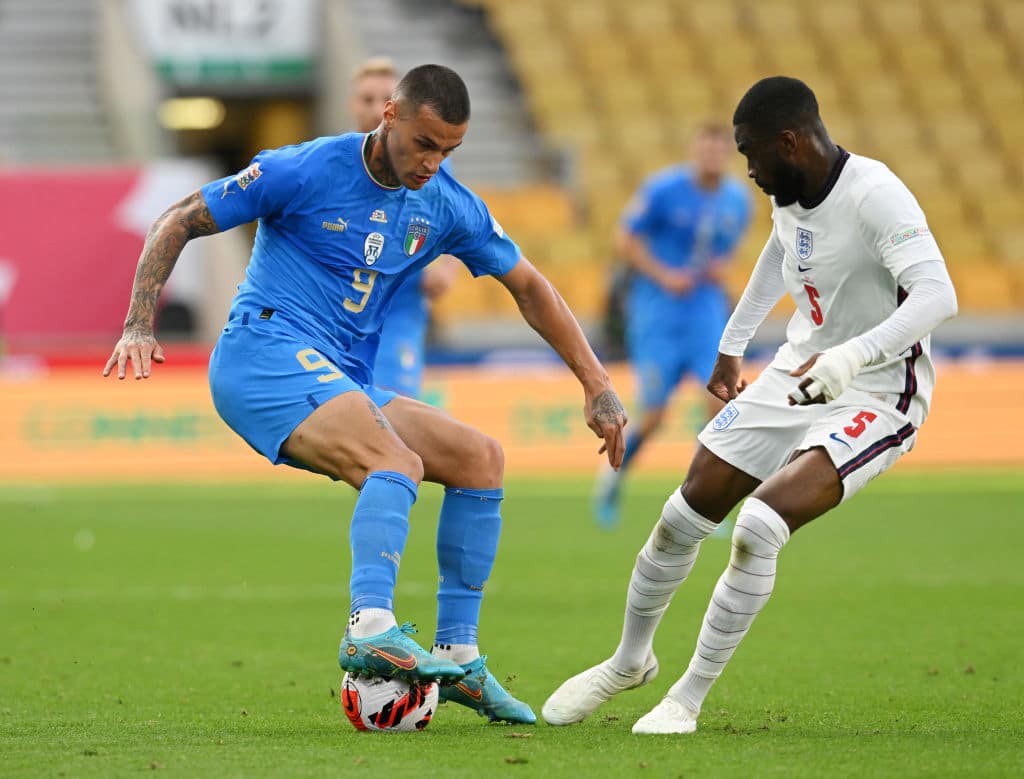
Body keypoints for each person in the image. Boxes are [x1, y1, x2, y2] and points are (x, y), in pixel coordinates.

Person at [103, 64, 627, 725]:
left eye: (449, 150)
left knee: (480, 457)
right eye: (425, 143)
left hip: (339, 374)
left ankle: (458, 654)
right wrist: (137, 323)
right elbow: (178, 218)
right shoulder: (304, 168)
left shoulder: (445, 202)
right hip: (260, 355)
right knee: (395, 461)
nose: (433, 162)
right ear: (389, 118)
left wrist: (597, 381)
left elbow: (528, 285)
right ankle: (369, 624)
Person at [543, 76, 957, 734]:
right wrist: (732, 346)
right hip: (799, 369)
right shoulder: (790, 192)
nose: (748, 170)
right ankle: (628, 660)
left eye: (751, 153)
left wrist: (851, 357)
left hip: (880, 390)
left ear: (789, 142)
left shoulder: (877, 196)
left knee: (760, 525)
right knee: (686, 506)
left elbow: (938, 296)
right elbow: (777, 250)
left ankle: (687, 696)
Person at [594, 124, 752, 528]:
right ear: (695, 152)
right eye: (706, 150)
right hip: (658, 314)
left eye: (720, 152)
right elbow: (624, 240)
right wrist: (664, 275)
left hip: (706, 314)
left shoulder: (738, 200)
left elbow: (727, 247)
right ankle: (612, 480)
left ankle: (705, 503)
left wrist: (722, 269)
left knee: (721, 407)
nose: (712, 158)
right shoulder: (663, 190)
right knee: (654, 414)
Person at [349, 57, 459, 397]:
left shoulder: (430, 166)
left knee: (397, 415)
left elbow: (462, 223)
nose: (375, 109)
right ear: (353, 106)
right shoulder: (335, 162)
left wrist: (448, 267)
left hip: (400, 312)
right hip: (341, 318)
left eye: (385, 100)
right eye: (367, 99)